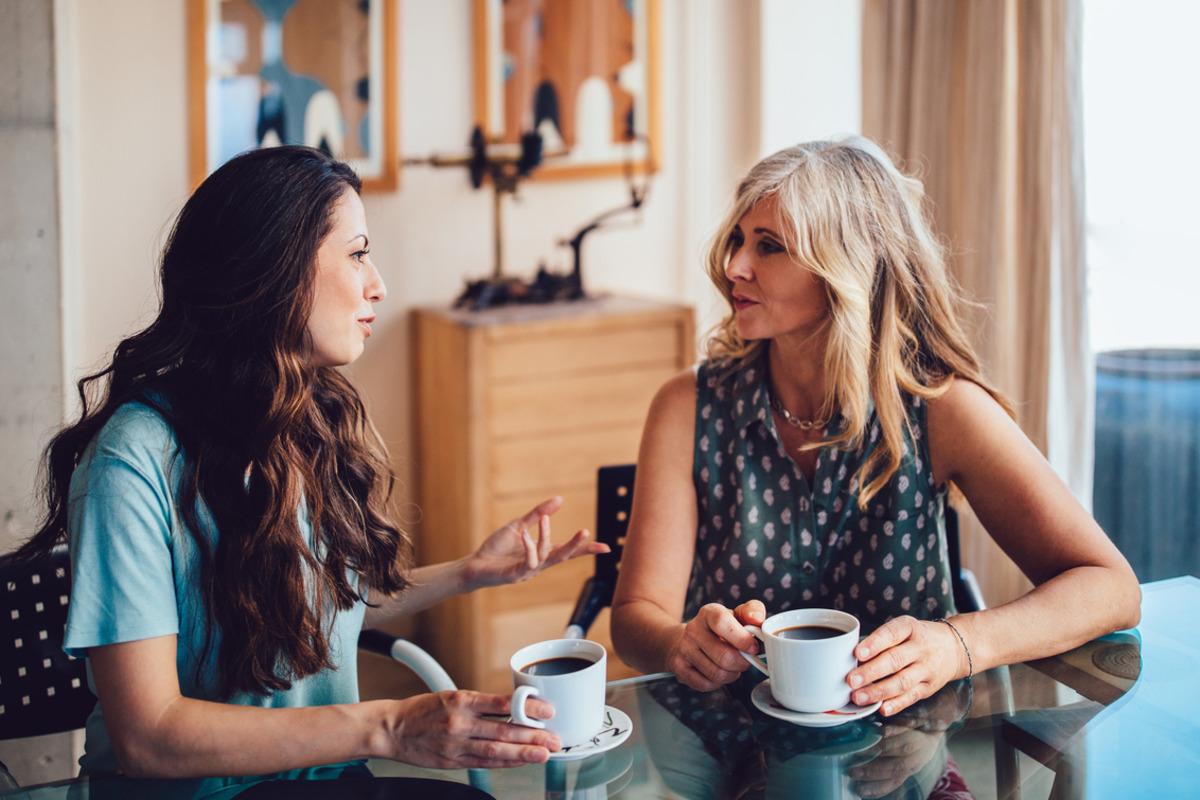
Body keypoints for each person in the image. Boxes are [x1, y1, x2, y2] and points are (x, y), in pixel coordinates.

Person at [7, 146, 607, 780]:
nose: (378, 283)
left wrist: (469, 572)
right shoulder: (131, 460)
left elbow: (305, 611)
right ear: (275, 270)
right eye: (356, 254)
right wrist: (390, 726)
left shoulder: (303, 416)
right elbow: (149, 737)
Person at [610, 136, 1140, 720]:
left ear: (847, 268)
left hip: (905, 752)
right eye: (738, 239)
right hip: (721, 746)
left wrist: (961, 643)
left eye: (770, 246)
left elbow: (1111, 586)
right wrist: (678, 642)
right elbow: (636, 617)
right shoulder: (687, 405)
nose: (734, 266)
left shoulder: (942, 410)